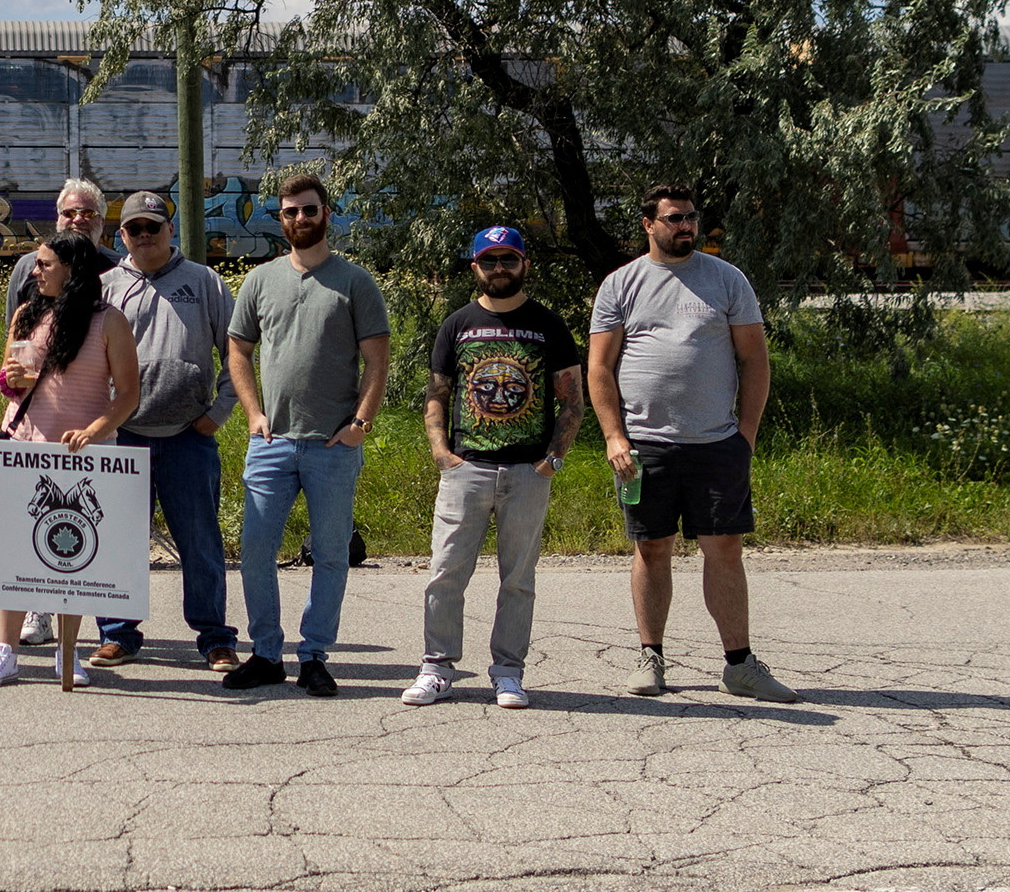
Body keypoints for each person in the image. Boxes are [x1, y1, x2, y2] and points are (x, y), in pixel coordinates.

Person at [588, 184, 796, 702]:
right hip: (645, 447)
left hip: (716, 443)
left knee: (723, 548)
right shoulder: (621, 284)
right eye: (674, 218)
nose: (686, 226)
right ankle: (650, 657)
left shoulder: (727, 280)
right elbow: (599, 367)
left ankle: (740, 665)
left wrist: (745, 436)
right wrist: (615, 435)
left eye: (691, 218)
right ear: (648, 224)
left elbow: (754, 360)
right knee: (651, 547)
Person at [222, 170, 390, 696]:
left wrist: (361, 422)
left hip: (331, 446)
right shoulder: (260, 280)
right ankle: (267, 654)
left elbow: (378, 360)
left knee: (332, 553)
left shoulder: (355, 282)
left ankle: (314, 654)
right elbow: (238, 350)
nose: (299, 218)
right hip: (270, 444)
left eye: (309, 209)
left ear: (327, 214)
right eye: (290, 211)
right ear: (281, 217)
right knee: (255, 551)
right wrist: (252, 412)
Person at [405, 225, 581, 709]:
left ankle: (508, 672)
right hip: (467, 470)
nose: (499, 268)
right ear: (474, 267)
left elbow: (571, 401)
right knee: (444, 573)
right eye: (489, 260)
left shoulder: (549, 325)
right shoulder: (457, 324)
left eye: (508, 259)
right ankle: (437, 667)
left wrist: (553, 459)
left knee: (518, 580)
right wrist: (443, 455)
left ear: (525, 264)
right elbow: (437, 395)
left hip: (528, 472)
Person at [0, 231, 140, 690]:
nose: (35, 270)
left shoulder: (110, 322)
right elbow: (9, 384)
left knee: (71, 555)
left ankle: (67, 654)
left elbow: (128, 394)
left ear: (73, 269)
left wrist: (94, 431)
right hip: (23, 446)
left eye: (45, 263)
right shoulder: (27, 314)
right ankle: (5, 652)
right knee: (12, 554)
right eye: (37, 263)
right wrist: (12, 380)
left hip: (81, 453)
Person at [93, 188, 238, 673]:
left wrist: (218, 412)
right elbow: (89, 361)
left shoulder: (204, 281)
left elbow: (237, 352)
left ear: (170, 231)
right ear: (122, 235)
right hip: (124, 435)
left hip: (187, 436)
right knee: (119, 539)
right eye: (135, 228)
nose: (145, 235)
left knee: (199, 541)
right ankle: (117, 633)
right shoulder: (106, 286)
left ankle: (214, 637)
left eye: (154, 227)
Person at [3, 178, 107, 311]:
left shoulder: (118, 268)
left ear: (102, 222)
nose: (78, 219)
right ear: (58, 218)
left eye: (88, 213)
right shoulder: (27, 266)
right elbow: (13, 327)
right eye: (69, 213)